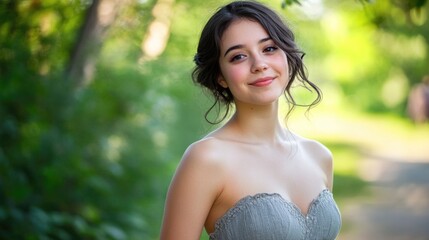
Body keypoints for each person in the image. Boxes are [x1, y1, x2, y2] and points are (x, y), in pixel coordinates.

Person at [160, 1, 341, 239]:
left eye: (269, 49)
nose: (259, 64)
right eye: (238, 57)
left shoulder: (319, 157)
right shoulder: (206, 159)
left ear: (286, 54)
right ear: (220, 77)